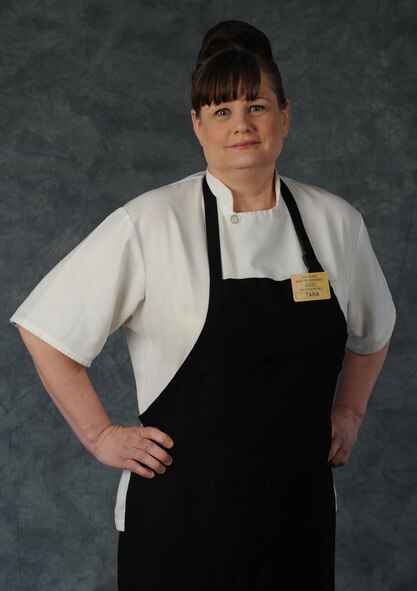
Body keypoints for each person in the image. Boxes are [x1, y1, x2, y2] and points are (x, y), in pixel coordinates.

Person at [11, 20, 395, 591]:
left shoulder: (336, 224)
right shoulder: (150, 223)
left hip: (298, 523)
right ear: (197, 125)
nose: (241, 124)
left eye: (257, 106)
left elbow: (374, 331)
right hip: (179, 528)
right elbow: (45, 327)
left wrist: (351, 412)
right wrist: (99, 436)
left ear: (285, 115)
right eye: (220, 110)